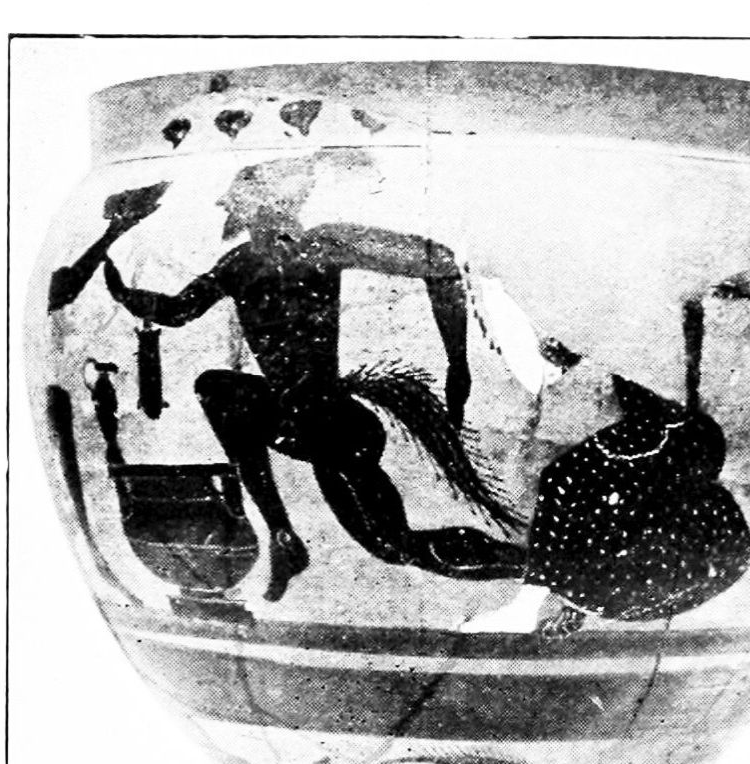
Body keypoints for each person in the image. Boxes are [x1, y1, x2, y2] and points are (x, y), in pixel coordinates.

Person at [66, 154, 524, 601]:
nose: (230, 209)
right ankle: (282, 533)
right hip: (297, 419)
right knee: (217, 389)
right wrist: (122, 292)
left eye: (240, 201)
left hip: (334, 425)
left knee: (394, 546)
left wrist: (458, 364)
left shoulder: (316, 246)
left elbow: (440, 260)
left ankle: (528, 562)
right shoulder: (244, 262)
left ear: (272, 202)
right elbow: (176, 310)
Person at [460, 270, 750, 635]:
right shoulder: (679, 452)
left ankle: (526, 606)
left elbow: (644, 412)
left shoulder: (672, 447)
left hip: (656, 547)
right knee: (582, 470)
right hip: (664, 539)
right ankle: (528, 605)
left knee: (566, 476)